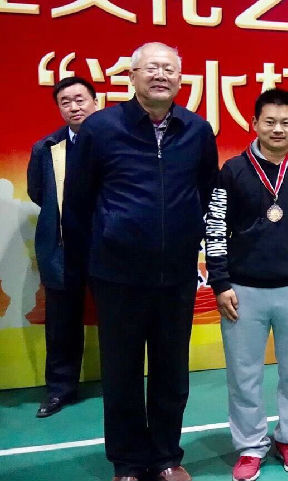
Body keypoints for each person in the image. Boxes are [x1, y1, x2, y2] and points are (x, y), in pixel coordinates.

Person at [63, 42, 219, 481]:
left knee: (172, 373)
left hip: (177, 276)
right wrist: (91, 260)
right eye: (151, 68)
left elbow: (207, 192)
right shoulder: (101, 128)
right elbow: (77, 202)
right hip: (117, 276)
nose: (161, 75)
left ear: (180, 79)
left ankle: (167, 457)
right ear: (132, 76)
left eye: (169, 69)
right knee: (122, 372)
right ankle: (128, 462)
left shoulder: (197, 130)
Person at [206, 89, 288, 481]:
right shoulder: (233, 171)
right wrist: (220, 283)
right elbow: (215, 227)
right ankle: (250, 446)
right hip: (242, 292)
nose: (278, 129)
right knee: (243, 375)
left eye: (285, 122)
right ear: (254, 124)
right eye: (269, 122)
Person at [27, 76, 98, 418]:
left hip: (109, 248)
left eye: (80, 99)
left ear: (96, 102)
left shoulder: (117, 143)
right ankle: (60, 390)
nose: (74, 107)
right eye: (65, 102)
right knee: (61, 324)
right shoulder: (46, 147)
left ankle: (121, 386)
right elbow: (37, 193)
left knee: (120, 320)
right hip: (62, 249)